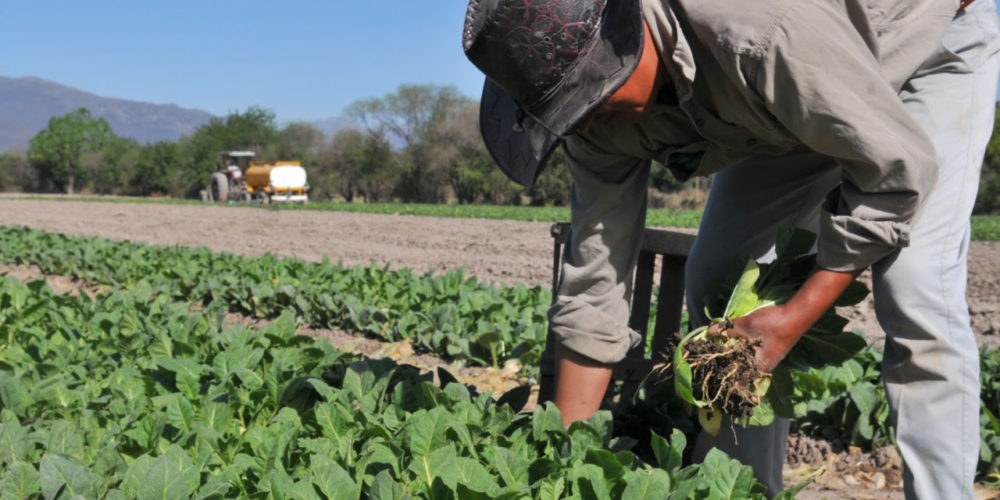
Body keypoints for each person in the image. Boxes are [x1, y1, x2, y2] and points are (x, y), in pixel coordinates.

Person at [463, 0, 1000, 498]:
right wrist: (565, 468)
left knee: (915, 288)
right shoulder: (592, 122)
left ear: (628, 38)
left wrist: (794, 315)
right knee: (719, 277)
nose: (587, 120)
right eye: (567, 111)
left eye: (589, 98)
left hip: (924, 49)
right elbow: (593, 285)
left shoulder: (760, 33)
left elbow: (894, 177)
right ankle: (742, 489)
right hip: (790, 98)